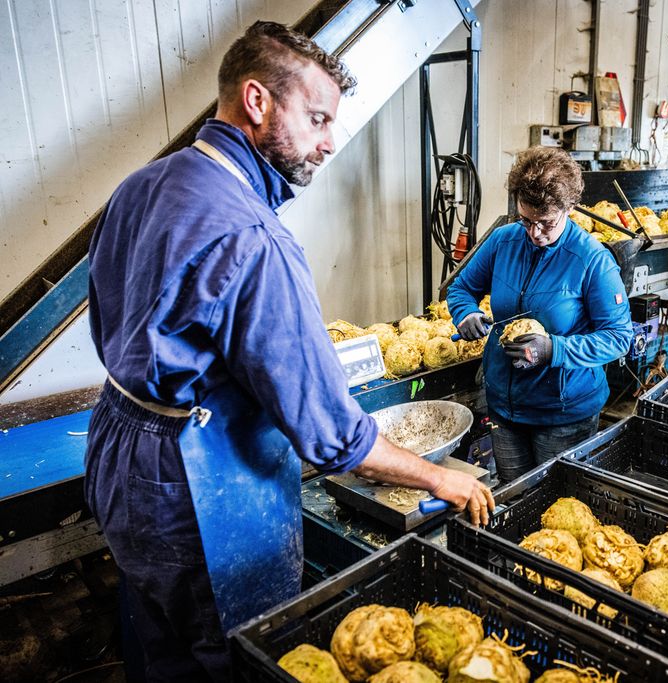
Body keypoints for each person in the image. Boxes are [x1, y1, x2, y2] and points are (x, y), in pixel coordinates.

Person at [85, 21, 493, 681]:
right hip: (199, 481)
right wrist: (439, 476)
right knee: (236, 654)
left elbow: (109, 318)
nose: (329, 141)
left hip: (118, 444)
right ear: (256, 102)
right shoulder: (255, 239)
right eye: (317, 119)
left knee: (159, 637)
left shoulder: (142, 185)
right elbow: (333, 437)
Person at [447, 146, 633, 483]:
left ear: (569, 209)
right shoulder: (503, 241)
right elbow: (461, 288)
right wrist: (466, 313)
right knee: (514, 495)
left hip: (562, 414)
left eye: (546, 223)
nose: (534, 233)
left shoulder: (592, 260)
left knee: (555, 501)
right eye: (526, 220)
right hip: (505, 408)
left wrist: (553, 350)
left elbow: (618, 337)